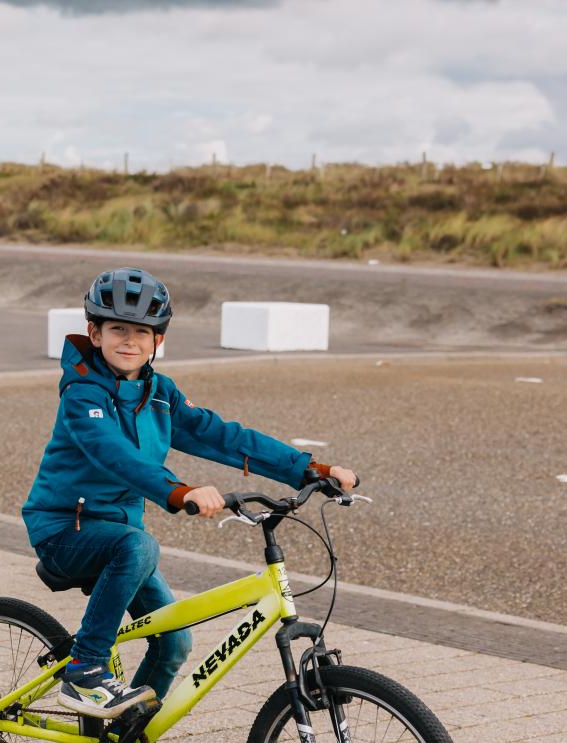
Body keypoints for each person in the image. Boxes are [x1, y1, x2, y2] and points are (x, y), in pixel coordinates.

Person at [21, 267, 356, 719]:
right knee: (139, 545)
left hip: (120, 535)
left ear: (158, 340)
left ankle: (123, 732)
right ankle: (85, 671)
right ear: (94, 333)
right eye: (117, 329)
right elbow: (113, 455)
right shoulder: (83, 394)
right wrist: (178, 491)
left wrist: (310, 469)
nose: (129, 341)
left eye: (142, 332)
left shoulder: (159, 393)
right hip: (64, 529)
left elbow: (222, 436)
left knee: (175, 641)